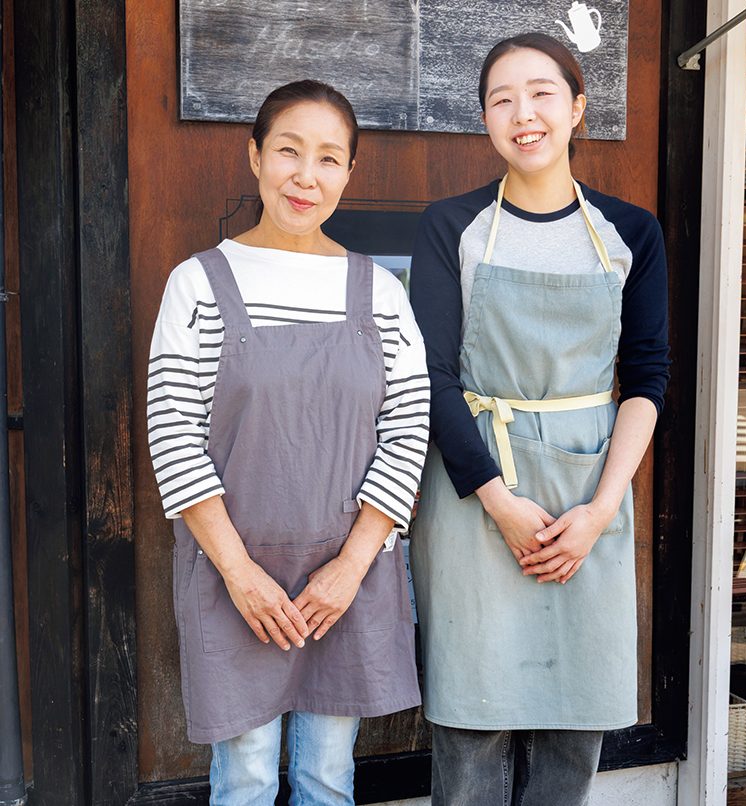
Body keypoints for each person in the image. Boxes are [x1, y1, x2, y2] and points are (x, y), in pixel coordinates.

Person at [147, 79, 428, 806]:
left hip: (347, 578)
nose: (307, 176)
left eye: (329, 159)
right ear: (254, 157)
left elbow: (407, 431)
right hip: (234, 573)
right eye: (289, 152)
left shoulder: (380, 294)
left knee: (327, 778)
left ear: (349, 174)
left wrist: (350, 567)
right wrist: (239, 572)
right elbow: (172, 432)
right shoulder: (199, 284)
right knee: (242, 777)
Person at [409, 33, 670, 806]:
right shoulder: (449, 224)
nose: (523, 113)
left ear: (577, 106)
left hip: (588, 494)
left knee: (571, 733)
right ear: (485, 120)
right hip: (474, 494)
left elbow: (647, 379)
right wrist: (497, 500)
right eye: (502, 99)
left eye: (542, 92)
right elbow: (433, 378)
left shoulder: (632, 233)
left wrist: (599, 509)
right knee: (471, 727)